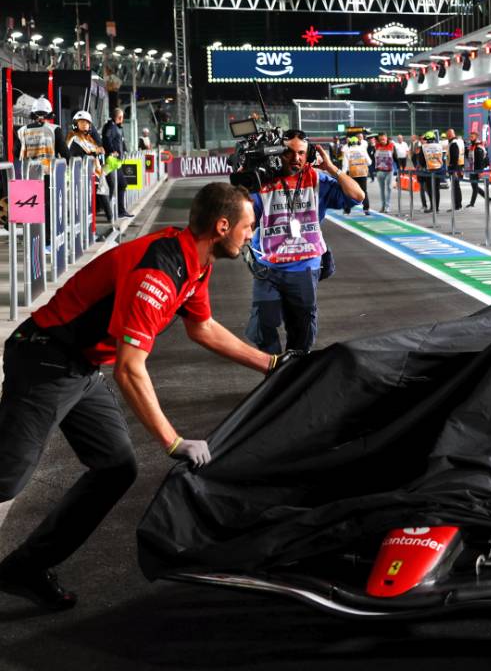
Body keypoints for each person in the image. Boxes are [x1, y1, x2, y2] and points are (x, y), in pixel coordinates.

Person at [0, 182, 283, 610]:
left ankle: (24, 569)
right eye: (248, 226)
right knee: (7, 478)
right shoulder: (158, 273)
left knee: (115, 467)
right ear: (223, 226)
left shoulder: (196, 262)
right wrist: (172, 441)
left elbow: (202, 327)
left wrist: (272, 364)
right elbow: (130, 368)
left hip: (81, 365)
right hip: (45, 358)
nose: (251, 234)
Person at [245, 131, 365, 355]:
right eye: (288, 152)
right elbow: (245, 218)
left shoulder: (318, 180)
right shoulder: (264, 182)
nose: (295, 158)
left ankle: (294, 369)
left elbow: (357, 196)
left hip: (304, 266)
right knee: (263, 325)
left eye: (301, 153)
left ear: (309, 154)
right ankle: (274, 368)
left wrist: (331, 168)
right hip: (268, 266)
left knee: (301, 332)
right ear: (277, 154)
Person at [65, 111, 109, 221]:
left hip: (92, 175)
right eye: (81, 122)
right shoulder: (73, 137)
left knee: (95, 201)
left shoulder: (89, 138)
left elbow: (97, 151)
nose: (85, 124)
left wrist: (99, 151)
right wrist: (94, 153)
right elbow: (74, 155)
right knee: (81, 206)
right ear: (76, 124)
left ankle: (109, 218)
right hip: (79, 177)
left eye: (87, 122)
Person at [102, 108, 132, 218]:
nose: (122, 119)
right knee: (118, 185)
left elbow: (121, 142)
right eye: (122, 117)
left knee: (116, 185)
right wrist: (111, 151)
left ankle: (117, 210)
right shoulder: (110, 126)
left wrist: (125, 151)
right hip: (112, 161)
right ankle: (116, 211)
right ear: (119, 117)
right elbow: (106, 139)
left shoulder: (117, 127)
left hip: (116, 161)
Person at [340, 135, 372, 214]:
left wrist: (343, 174)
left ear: (350, 143)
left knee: (349, 191)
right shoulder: (362, 149)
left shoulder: (347, 151)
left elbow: (345, 165)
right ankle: (366, 209)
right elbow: (369, 162)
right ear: (358, 142)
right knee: (364, 191)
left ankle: (347, 210)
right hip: (362, 173)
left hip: (352, 174)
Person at [372, 133, 400, 213]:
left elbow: (395, 157)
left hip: (389, 170)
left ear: (386, 138)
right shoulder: (376, 146)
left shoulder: (391, 146)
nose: (382, 141)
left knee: (389, 188)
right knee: (382, 189)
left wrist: (399, 168)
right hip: (380, 171)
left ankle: (387, 206)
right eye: (380, 139)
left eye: (383, 139)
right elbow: (373, 158)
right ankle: (383, 206)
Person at [422, 130, 447, 212]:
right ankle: (436, 208)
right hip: (439, 170)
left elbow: (422, 160)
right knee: (436, 189)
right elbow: (443, 157)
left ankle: (432, 207)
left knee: (430, 189)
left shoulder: (424, 147)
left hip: (429, 170)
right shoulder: (439, 146)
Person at [467, 132, 491, 207]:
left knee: (474, 186)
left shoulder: (478, 147)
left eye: (472, 136)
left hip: (476, 169)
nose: (470, 138)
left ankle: (486, 199)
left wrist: (480, 172)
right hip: (472, 169)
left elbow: (480, 160)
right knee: (474, 186)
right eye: (470, 136)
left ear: (476, 137)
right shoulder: (472, 146)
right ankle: (486, 199)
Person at [447, 128, 466, 209]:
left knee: (455, 187)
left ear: (450, 135)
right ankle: (457, 205)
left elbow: (455, 157)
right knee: (456, 186)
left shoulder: (453, 143)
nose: (447, 136)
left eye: (447, 135)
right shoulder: (459, 142)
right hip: (458, 167)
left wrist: (454, 170)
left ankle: (457, 205)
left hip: (454, 168)